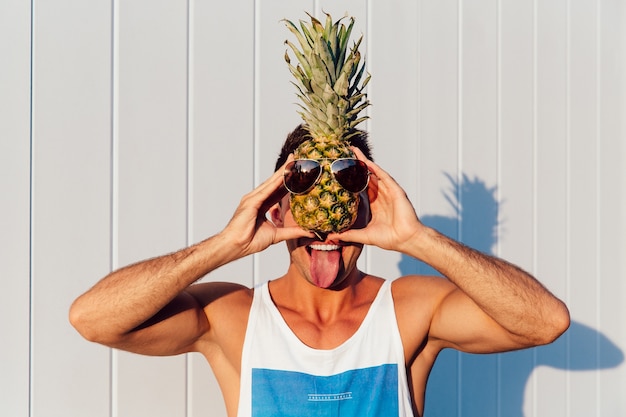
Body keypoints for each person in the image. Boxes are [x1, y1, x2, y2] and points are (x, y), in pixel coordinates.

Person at [70, 125, 570, 417]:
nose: (326, 232)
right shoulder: (233, 315)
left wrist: (420, 239)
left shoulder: (409, 309)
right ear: (276, 211)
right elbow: (92, 319)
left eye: (341, 200)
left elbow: (546, 322)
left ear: (368, 209)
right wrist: (224, 245)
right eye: (306, 200)